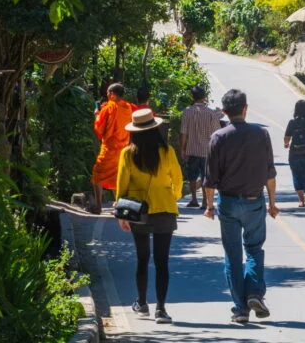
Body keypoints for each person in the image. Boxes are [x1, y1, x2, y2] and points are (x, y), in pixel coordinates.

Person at [204, 89, 279, 324]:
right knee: (255, 249)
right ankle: (254, 293)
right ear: (245, 108)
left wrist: (209, 206)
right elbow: (270, 172)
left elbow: (210, 178)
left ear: (224, 112)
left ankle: (240, 309)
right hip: (254, 200)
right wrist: (273, 203)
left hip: (227, 201)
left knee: (233, 255)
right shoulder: (261, 135)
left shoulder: (218, 137)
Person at [115, 108, 183, 324]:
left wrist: (121, 215)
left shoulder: (128, 153)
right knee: (162, 261)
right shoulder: (167, 151)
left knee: (142, 258)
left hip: (138, 211)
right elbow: (178, 180)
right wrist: (172, 195)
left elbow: (121, 186)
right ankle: (161, 310)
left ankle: (142, 303)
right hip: (165, 208)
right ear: (155, 129)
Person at [91, 83, 137, 214]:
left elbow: (99, 128)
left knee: (97, 175)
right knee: (118, 177)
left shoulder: (109, 108)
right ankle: (119, 206)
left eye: (107, 93)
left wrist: (96, 114)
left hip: (109, 148)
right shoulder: (127, 107)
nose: (107, 96)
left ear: (111, 94)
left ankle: (98, 206)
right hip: (123, 148)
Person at [180, 85, 224, 209]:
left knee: (192, 176)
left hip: (192, 150)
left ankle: (194, 199)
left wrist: (182, 149)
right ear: (204, 97)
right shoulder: (211, 113)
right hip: (207, 151)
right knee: (206, 177)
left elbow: (184, 132)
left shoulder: (187, 111)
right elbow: (217, 133)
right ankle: (205, 201)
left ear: (192, 97)